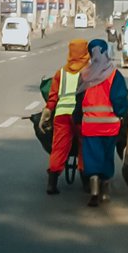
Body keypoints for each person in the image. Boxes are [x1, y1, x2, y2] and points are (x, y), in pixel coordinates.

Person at [75, 37, 128, 208]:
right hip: (110, 126)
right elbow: (119, 99)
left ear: (91, 54)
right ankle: (105, 191)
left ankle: (93, 192)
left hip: (90, 126)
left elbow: (79, 99)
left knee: (91, 157)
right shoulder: (115, 75)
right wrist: (124, 112)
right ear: (106, 52)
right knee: (107, 156)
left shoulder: (85, 75)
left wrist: (77, 119)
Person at [40, 39, 88, 194]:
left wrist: (46, 113)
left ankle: (51, 183)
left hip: (62, 115)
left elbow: (52, 97)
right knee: (84, 147)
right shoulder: (90, 71)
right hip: (81, 116)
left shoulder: (61, 73)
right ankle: (87, 183)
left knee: (59, 148)